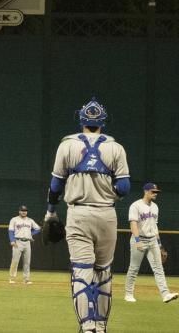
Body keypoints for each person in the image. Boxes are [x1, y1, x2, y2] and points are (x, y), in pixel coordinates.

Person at [45, 98, 130, 333]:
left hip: (78, 214)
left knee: (82, 274)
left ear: (81, 119)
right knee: (103, 273)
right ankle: (101, 327)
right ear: (103, 122)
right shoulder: (116, 147)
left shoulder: (67, 145)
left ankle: (88, 327)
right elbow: (123, 188)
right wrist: (106, 192)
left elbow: (55, 185)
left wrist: (50, 213)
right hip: (106, 215)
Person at [124, 182, 178, 303]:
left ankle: (165, 294)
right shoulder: (135, 205)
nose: (155, 194)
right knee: (133, 268)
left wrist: (160, 245)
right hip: (139, 239)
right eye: (153, 192)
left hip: (153, 240)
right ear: (146, 191)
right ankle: (128, 294)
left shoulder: (155, 207)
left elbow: (155, 227)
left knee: (159, 268)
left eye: (156, 192)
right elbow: (133, 224)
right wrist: (137, 241)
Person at [8, 205, 40, 284]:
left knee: (27, 262)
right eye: (22, 210)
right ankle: (12, 278)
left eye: (25, 211)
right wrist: (12, 240)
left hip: (27, 242)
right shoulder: (14, 219)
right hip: (17, 242)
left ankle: (26, 279)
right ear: (19, 211)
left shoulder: (30, 220)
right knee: (15, 261)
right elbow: (11, 231)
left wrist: (31, 234)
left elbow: (38, 228)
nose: (24, 212)